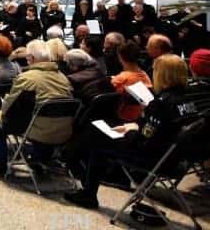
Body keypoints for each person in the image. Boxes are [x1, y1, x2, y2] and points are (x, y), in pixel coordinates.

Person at [64, 55, 200, 209]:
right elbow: (160, 130)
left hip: (154, 158)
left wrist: (129, 132)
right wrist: (133, 126)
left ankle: (87, 193)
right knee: (106, 131)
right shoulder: (189, 100)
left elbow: (143, 141)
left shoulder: (160, 104)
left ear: (162, 75)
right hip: (177, 160)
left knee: (96, 138)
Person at [0, 40, 74, 175]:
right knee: (44, 117)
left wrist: (4, 104)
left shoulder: (27, 78)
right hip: (63, 131)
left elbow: (7, 110)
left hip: (38, 129)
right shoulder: (63, 77)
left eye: (27, 56)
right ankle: (39, 159)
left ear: (32, 59)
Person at [111, 41, 152, 122]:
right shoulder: (145, 75)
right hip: (143, 117)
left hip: (125, 119)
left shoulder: (120, 79)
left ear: (120, 57)